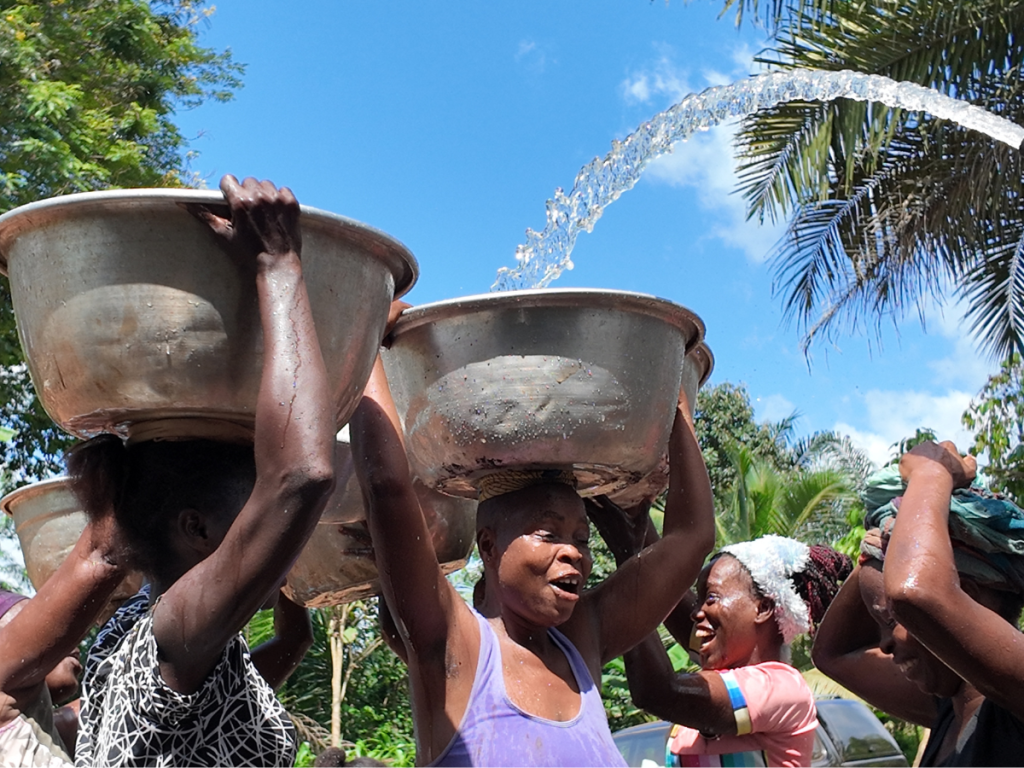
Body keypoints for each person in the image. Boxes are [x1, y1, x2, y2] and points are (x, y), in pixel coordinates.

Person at [68, 175, 337, 767]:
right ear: (197, 529)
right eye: (253, 510)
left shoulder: (161, 638)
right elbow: (302, 475)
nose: (285, 538)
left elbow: (293, 640)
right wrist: (278, 265)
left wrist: (362, 359)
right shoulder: (175, 630)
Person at [349, 346, 716, 767]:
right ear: (488, 546)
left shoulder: (583, 641)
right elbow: (387, 488)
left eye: (582, 539)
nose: (574, 554)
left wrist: (673, 401)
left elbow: (691, 539)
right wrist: (372, 337)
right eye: (548, 534)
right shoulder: (456, 644)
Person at [812, 440, 1024, 767]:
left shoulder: (1014, 696)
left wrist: (931, 471)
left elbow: (915, 593)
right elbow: (832, 654)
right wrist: (881, 532)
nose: (882, 645)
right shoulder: (948, 709)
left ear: (965, 594)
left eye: (892, 619)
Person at [592, 502, 850, 768]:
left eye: (711, 598)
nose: (696, 613)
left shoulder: (781, 688)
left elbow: (657, 692)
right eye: (698, 600)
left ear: (762, 608)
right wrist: (636, 514)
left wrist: (628, 557)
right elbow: (668, 592)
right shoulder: (724, 674)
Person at [0, 511, 126, 765]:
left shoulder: (35, 735)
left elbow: (122, 703)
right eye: (31, 630)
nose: (67, 639)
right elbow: (101, 555)